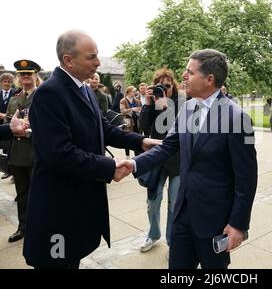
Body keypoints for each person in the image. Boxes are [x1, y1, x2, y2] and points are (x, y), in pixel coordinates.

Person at [23, 30, 160, 269]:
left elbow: (103, 129)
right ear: (68, 60)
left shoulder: (84, 89)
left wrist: (139, 141)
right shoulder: (49, 94)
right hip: (58, 207)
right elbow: (58, 153)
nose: (98, 63)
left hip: (78, 202)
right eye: (91, 57)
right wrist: (109, 166)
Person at [119, 49, 258, 269]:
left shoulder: (239, 118)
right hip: (182, 216)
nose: (183, 77)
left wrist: (238, 224)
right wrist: (135, 163)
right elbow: (167, 148)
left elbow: (247, 178)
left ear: (209, 79)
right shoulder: (186, 108)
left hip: (215, 222)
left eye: (189, 72)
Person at [138, 67, 182, 254]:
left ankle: (172, 241)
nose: (164, 89)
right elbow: (143, 128)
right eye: (160, 86)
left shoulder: (182, 101)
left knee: (174, 204)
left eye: (167, 85)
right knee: (152, 203)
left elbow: (181, 131)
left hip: (178, 161)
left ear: (173, 85)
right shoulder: (152, 101)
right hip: (157, 158)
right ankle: (153, 234)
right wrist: (149, 104)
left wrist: (167, 108)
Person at [5, 59, 42, 243]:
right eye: (22, 74)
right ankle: (23, 227)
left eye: (29, 74)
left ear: (36, 75)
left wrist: (27, 131)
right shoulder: (14, 99)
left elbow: (47, 127)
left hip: (35, 153)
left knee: (38, 194)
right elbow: (7, 125)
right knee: (22, 194)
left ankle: (39, 227)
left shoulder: (43, 97)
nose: (25, 77)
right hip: (18, 154)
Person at [0, 72, 16, 179]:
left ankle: (9, 171)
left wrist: (6, 116)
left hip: (10, 124)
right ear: (1, 83)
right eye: (5, 81)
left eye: (9, 82)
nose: (7, 83)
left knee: (8, 148)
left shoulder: (16, 93)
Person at [120, 85, 142, 157]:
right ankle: (127, 155)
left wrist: (139, 110)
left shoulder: (138, 101)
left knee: (137, 138)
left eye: (135, 91)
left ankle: (137, 155)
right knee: (127, 138)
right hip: (128, 122)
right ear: (129, 92)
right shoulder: (123, 100)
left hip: (137, 121)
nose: (135, 93)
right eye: (133, 91)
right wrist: (132, 109)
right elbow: (122, 111)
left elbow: (141, 109)